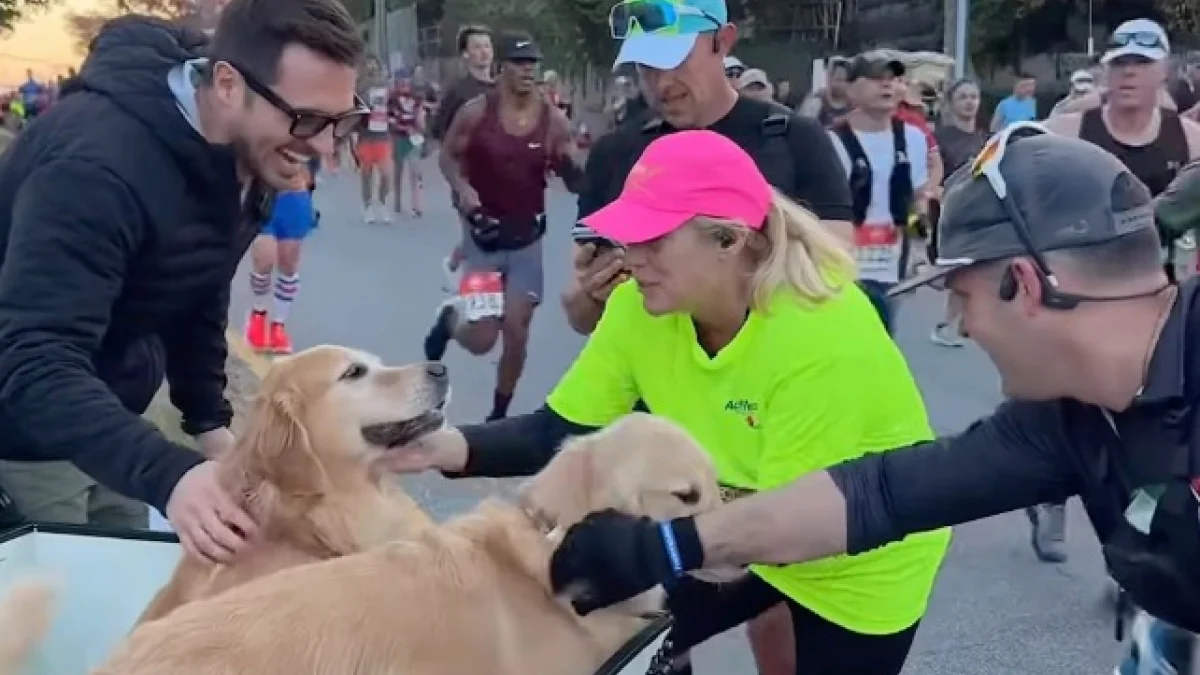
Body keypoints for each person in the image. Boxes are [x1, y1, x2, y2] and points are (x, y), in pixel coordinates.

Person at [548, 125, 1200, 674]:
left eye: (962, 295)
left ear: (1025, 285)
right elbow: (882, 492)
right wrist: (671, 545)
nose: (961, 325)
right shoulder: (1061, 420)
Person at [390, 129, 949, 675]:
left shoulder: (823, 337)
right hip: (740, 517)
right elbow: (557, 430)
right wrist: (435, 446)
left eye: (653, 240)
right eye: (628, 237)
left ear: (729, 240)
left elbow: (784, 532)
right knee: (602, 637)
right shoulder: (642, 304)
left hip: (854, 551)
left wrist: (646, 556)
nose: (631, 258)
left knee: (631, 599)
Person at [0, 0, 365, 562]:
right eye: (308, 120)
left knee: (130, 587)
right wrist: (169, 475)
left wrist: (208, 420)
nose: (323, 146)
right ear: (226, 85)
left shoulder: (250, 148)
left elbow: (199, 278)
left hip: (114, 406)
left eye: (342, 120)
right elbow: (31, 359)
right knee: (60, 625)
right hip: (25, 432)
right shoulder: (95, 170)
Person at [564, 0, 853, 340]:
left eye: (676, 61)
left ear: (724, 41)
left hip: (771, 379)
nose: (662, 83)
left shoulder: (795, 140)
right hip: (653, 386)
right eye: (647, 67)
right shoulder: (615, 154)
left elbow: (835, 280)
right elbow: (579, 316)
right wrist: (591, 294)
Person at [1038, 19, 1200, 561]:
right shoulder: (1068, 130)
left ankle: (1140, 544)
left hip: (1160, 309)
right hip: (1081, 300)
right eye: (1120, 62)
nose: (1129, 73)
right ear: (1106, 71)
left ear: (1165, 73)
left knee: (1154, 435)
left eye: (1141, 63)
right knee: (1068, 414)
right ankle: (1052, 497)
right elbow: (1009, 176)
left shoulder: (1189, 137)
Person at [424, 33, 582, 422]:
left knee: (517, 327)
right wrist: (462, 189)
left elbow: (573, 175)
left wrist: (577, 167)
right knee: (481, 339)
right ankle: (450, 319)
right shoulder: (477, 112)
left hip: (527, 237)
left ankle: (499, 414)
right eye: (520, 63)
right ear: (503, 69)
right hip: (484, 235)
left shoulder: (552, 120)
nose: (528, 71)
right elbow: (448, 157)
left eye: (533, 64)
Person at [826, 52, 931, 334]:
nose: (887, 86)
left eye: (893, 79)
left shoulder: (914, 139)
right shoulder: (830, 142)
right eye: (875, 79)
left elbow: (918, 198)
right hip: (846, 265)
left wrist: (920, 248)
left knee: (884, 338)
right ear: (850, 88)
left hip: (893, 262)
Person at [430, 25, 495, 292]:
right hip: (468, 176)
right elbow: (439, 132)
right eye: (477, 47)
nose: (483, 52)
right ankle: (475, 301)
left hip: (502, 176)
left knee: (494, 235)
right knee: (477, 234)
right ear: (465, 55)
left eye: (487, 46)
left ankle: (455, 262)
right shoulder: (458, 91)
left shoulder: (504, 87)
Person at [929, 77, 986, 347]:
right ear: (951, 104)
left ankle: (957, 322)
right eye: (962, 97)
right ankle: (948, 323)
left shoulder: (985, 138)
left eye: (973, 97)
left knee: (972, 269)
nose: (969, 102)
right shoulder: (940, 138)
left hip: (979, 211)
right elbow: (933, 177)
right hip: (949, 212)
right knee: (958, 269)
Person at [244, 161, 316, 354]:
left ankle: (278, 325)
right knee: (264, 259)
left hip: (295, 196)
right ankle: (258, 314)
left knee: (289, 263)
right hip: (265, 194)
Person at [356, 56, 395, 223]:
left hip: (383, 135)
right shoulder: (360, 87)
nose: (372, 68)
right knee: (366, 173)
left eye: (374, 65)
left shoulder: (387, 85)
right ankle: (368, 207)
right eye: (368, 65)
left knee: (387, 175)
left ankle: (382, 202)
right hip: (366, 136)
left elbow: (395, 105)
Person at [388, 71, 426, 218]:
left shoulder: (417, 98)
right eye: (400, 82)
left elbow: (420, 115)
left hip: (414, 138)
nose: (404, 85)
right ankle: (397, 201)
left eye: (406, 82)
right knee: (398, 170)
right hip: (398, 138)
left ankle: (417, 205)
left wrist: (420, 122)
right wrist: (405, 128)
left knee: (415, 170)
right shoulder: (392, 99)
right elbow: (391, 120)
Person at [798, 57, 851, 127]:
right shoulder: (814, 102)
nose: (843, 84)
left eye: (846, 80)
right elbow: (803, 126)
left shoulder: (854, 105)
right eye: (839, 80)